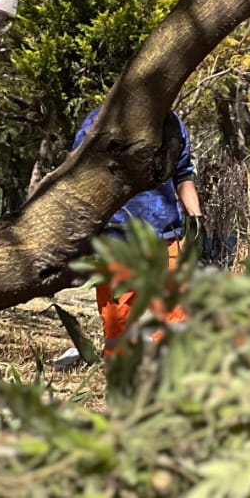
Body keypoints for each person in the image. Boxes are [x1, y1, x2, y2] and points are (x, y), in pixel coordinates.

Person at [72, 106, 206, 355]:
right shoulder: (100, 120)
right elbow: (79, 174)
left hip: (168, 233)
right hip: (117, 235)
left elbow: (183, 174)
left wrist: (196, 219)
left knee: (176, 311)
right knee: (117, 316)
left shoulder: (171, 123)